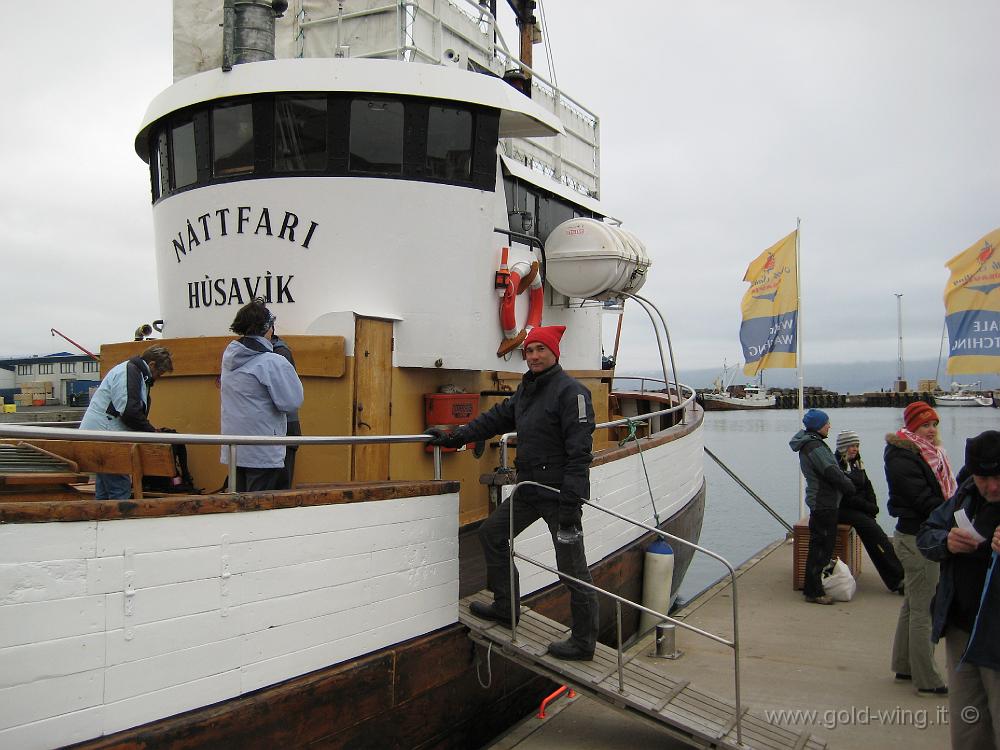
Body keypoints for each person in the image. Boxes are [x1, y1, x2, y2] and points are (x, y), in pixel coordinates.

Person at [426, 325, 600, 661]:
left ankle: (583, 642)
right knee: (492, 533)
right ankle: (507, 607)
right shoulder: (527, 391)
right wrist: (455, 436)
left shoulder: (572, 393)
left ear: (554, 353)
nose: (534, 356)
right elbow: (493, 421)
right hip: (530, 487)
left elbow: (580, 452)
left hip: (560, 494)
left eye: (540, 350)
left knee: (571, 567)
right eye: (529, 350)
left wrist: (571, 502)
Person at [918, 430, 1000, 748]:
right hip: (962, 631)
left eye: (998, 476)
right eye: (983, 477)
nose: (992, 486)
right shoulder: (965, 494)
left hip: (996, 637)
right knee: (968, 731)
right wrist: (947, 541)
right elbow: (927, 533)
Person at [884, 400, 955, 696]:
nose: (930, 430)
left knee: (913, 603)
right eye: (924, 425)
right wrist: (951, 517)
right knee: (924, 608)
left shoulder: (931, 455)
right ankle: (927, 679)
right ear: (912, 426)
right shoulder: (903, 456)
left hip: (918, 535)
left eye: (934, 424)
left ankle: (904, 664)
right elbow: (922, 498)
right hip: (918, 539)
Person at [220, 299, 304, 492]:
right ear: (268, 328)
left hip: (235, 449)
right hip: (263, 451)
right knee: (260, 507)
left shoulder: (229, 358)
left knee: (238, 501)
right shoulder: (273, 362)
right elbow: (292, 402)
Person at [80, 345, 174, 500]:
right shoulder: (131, 373)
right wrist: (152, 433)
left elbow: (128, 410)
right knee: (120, 488)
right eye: (160, 372)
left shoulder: (130, 371)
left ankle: (101, 519)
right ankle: (118, 521)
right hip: (107, 438)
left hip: (97, 435)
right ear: (151, 365)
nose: (159, 377)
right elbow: (130, 412)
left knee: (105, 488)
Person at [790, 409, 856, 605]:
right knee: (821, 548)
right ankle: (814, 591)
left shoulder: (812, 444)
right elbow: (831, 472)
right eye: (827, 423)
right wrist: (849, 487)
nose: (829, 426)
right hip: (823, 503)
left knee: (821, 546)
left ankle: (814, 588)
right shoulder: (814, 446)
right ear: (818, 425)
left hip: (824, 502)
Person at [835, 429, 905, 593]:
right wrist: (868, 508)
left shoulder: (857, 462)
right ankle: (897, 579)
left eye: (857, 445)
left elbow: (867, 485)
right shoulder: (837, 466)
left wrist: (873, 505)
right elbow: (847, 497)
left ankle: (899, 575)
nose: (855, 449)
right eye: (851, 445)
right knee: (874, 534)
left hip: (859, 509)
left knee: (876, 534)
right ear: (843, 446)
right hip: (842, 509)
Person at [270, 331, 302, 488]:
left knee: (281, 484)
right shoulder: (275, 352)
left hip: (286, 428)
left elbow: (288, 398)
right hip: (279, 429)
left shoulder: (280, 354)